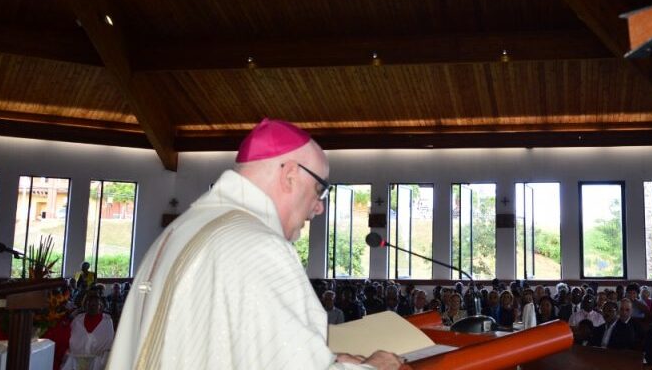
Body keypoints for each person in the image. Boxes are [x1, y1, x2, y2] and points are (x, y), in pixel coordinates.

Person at [108, 119, 402, 369]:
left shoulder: (177, 232)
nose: (319, 208)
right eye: (319, 190)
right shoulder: (259, 246)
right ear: (289, 176)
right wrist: (370, 366)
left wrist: (330, 359)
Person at [61, 292, 114, 370]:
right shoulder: (77, 320)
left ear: (100, 306)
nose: (92, 307)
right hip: (76, 360)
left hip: (99, 361)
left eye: (95, 304)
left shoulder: (107, 321)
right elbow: (71, 336)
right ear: (85, 305)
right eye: (89, 304)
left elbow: (108, 342)